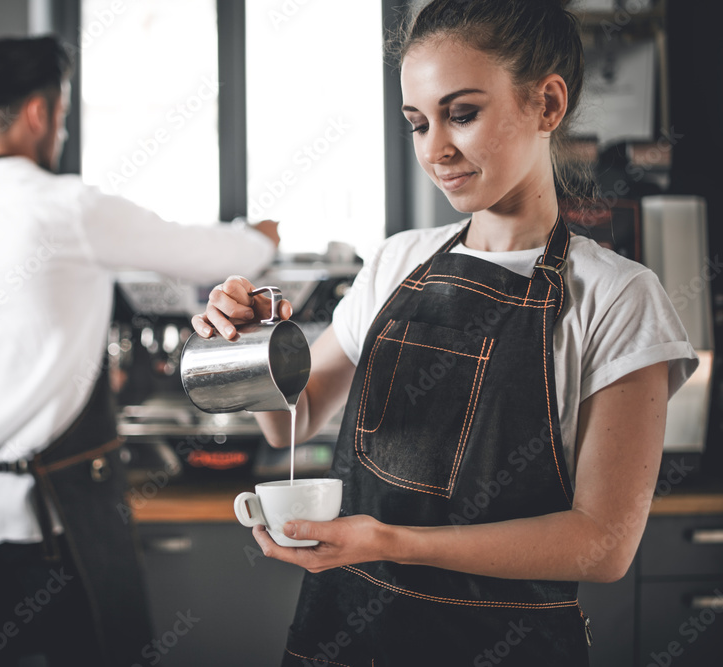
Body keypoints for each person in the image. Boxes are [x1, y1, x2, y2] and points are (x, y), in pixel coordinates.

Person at [193, 1, 699, 664]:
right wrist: (252, 348)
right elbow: (294, 418)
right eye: (417, 122)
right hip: (346, 635)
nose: (435, 149)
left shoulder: (619, 297)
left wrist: (392, 542)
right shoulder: (396, 262)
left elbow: (601, 543)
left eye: (462, 113)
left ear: (547, 104)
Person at [0, 35, 279, 666]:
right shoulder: (68, 209)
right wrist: (255, 240)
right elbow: (204, 253)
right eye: (62, 114)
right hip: (61, 525)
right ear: (40, 112)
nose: (60, 131)